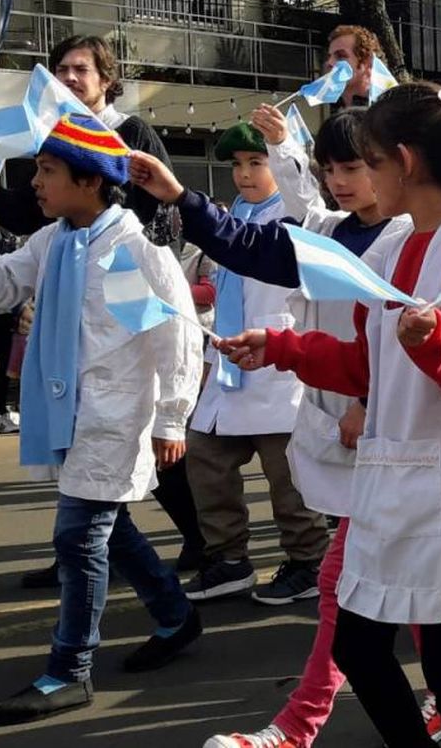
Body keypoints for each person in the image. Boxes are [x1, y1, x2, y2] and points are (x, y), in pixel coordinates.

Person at [215, 83, 441, 748]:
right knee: (366, 646)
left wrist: (438, 341)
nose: (358, 179)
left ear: (403, 161)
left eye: (366, 163)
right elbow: (367, 366)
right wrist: (283, 348)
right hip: (393, 477)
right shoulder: (392, 248)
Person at [0, 113, 203, 724]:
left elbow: (170, 336)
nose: (36, 184)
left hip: (114, 417)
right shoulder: (56, 242)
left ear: (91, 182)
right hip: (69, 413)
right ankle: (176, 616)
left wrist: (172, 418)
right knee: (109, 529)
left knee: (78, 536)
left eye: (47, 172)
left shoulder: (129, 251)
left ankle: (70, 669)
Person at [176, 121, 329, 606]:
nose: (244, 173)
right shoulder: (234, 215)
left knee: (288, 477)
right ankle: (228, 560)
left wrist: (284, 147)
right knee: (204, 457)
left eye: (256, 162)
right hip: (228, 363)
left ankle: (308, 561)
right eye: (238, 164)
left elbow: (308, 197)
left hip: (278, 365)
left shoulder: (297, 214)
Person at [0, 35, 177, 244]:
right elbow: (24, 214)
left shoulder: (132, 132)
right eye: (61, 70)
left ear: (106, 81)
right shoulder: (51, 139)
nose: (69, 77)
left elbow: (165, 215)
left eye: (81, 70)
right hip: (69, 268)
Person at [324, 25, 384, 109]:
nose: (329, 63)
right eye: (329, 57)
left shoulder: (388, 111)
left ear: (367, 62)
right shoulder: (330, 110)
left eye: (340, 56)